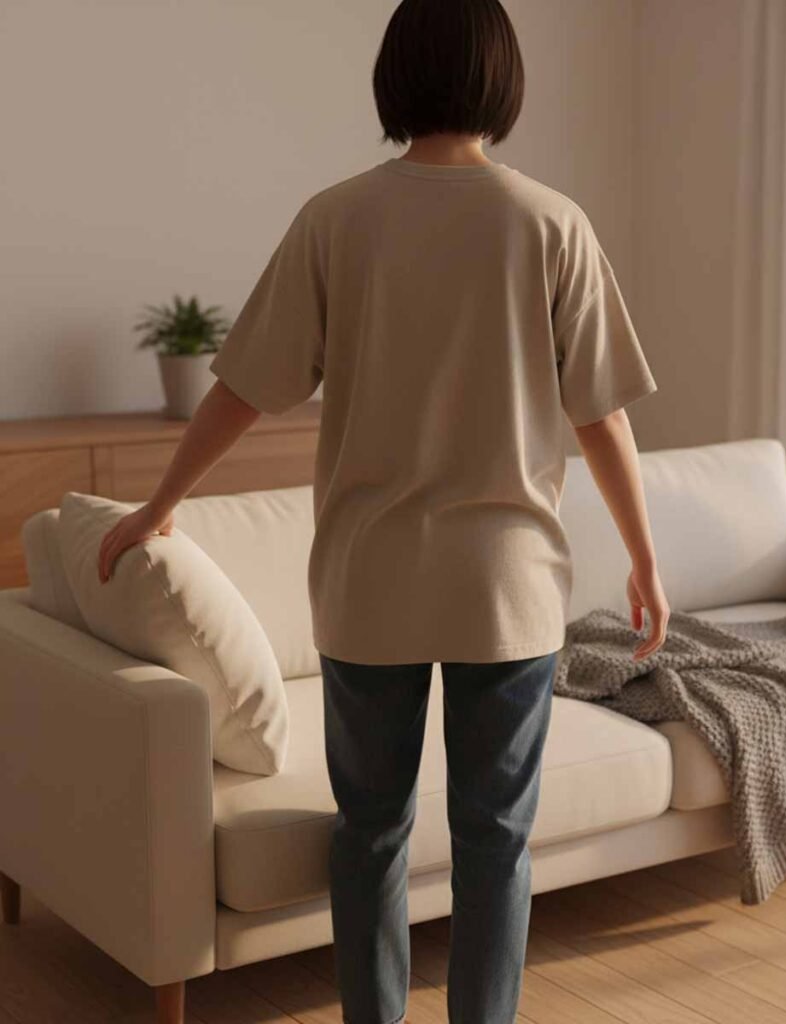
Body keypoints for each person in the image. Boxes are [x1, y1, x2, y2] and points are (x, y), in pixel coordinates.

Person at [96, 0, 669, 1020]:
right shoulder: (550, 222)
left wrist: (162, 501)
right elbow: (601, 418)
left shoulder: (336, 217)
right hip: (507, 591)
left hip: (368, 584)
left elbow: (244, 385)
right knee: (496, 838)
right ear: (502, 81)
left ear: (393, 79)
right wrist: (643, 559)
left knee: (369, 832)